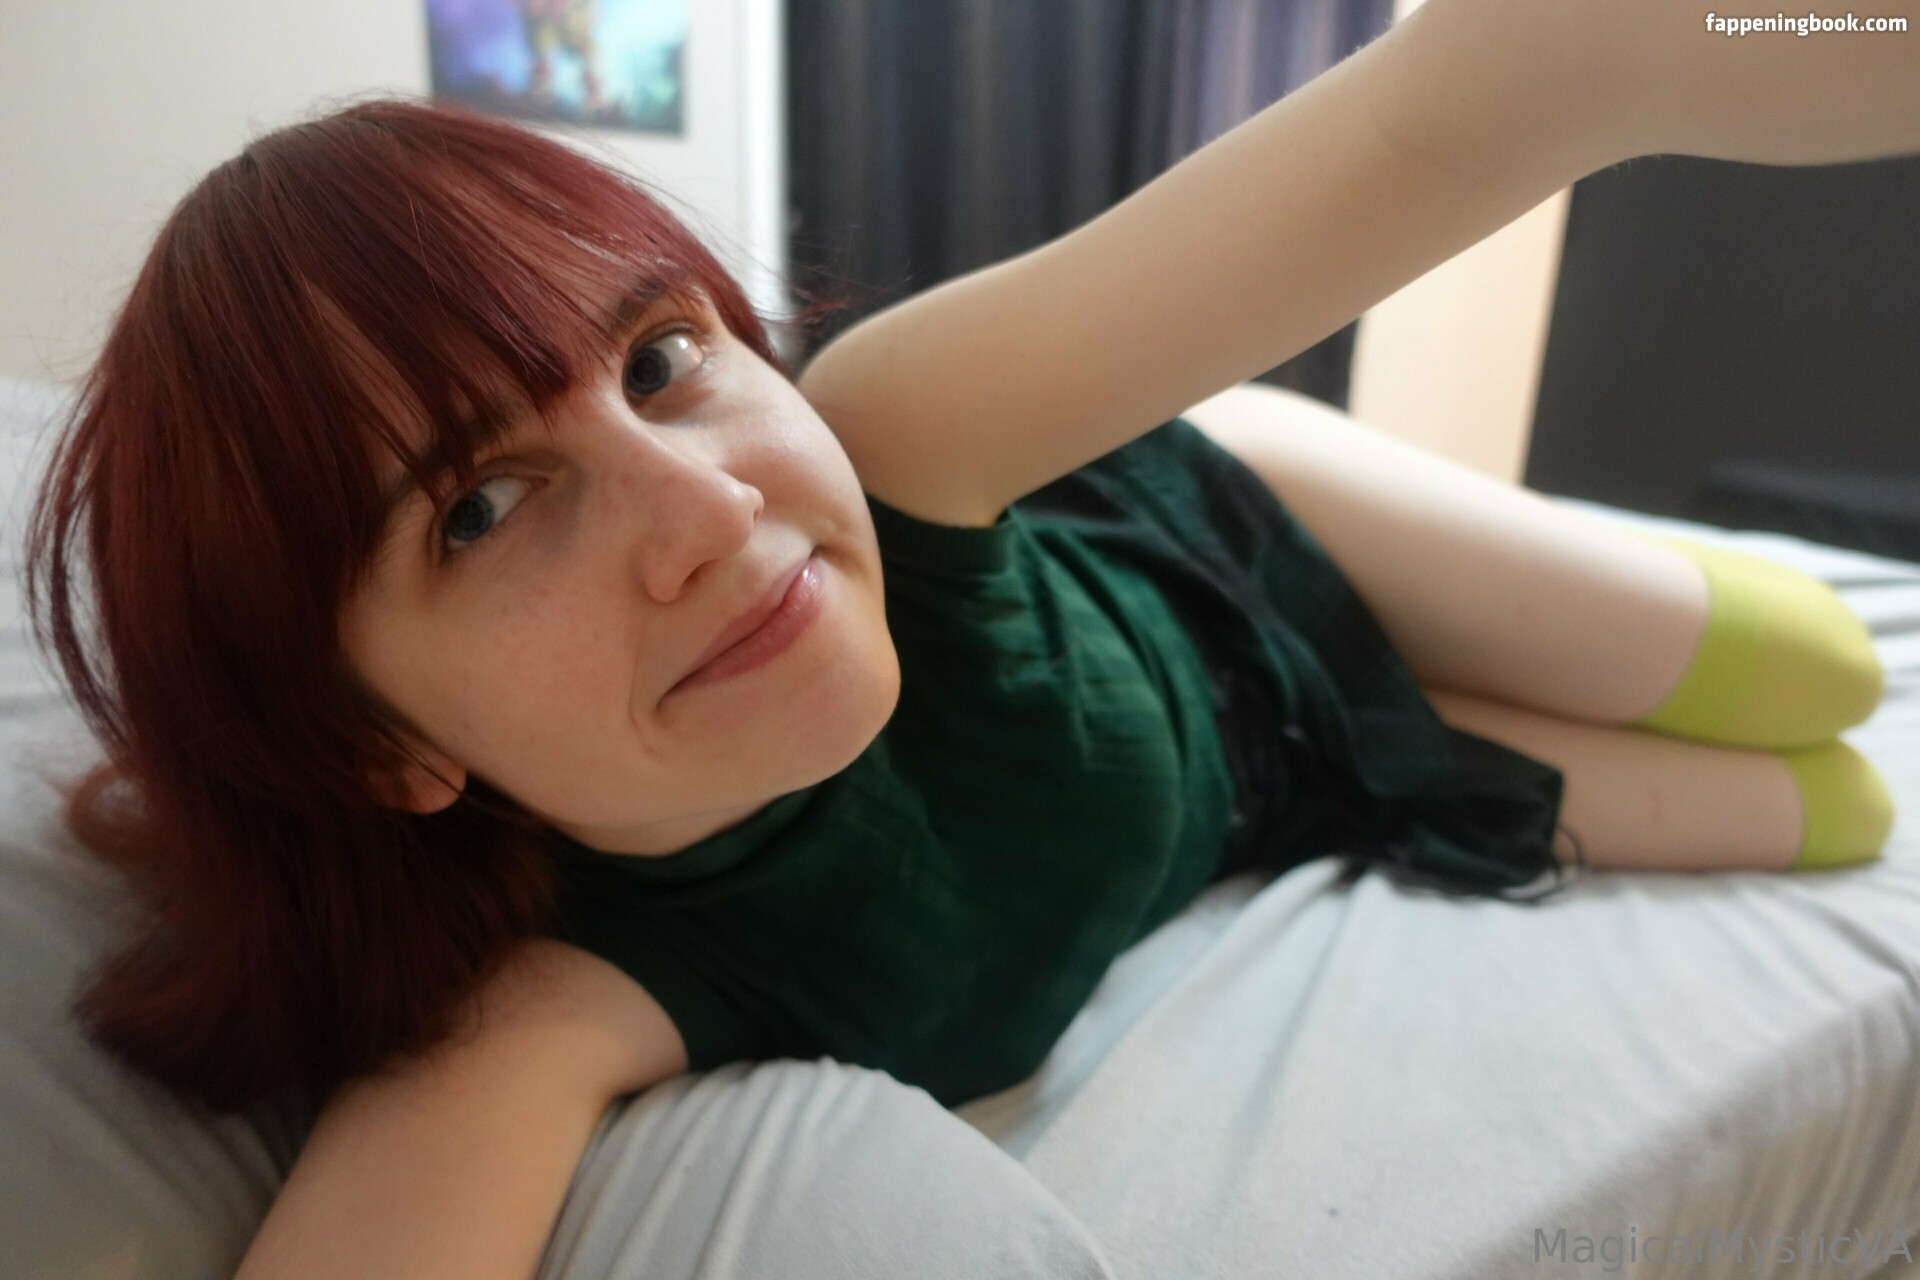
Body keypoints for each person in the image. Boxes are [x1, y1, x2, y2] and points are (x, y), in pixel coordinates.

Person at [19, 0, 1911, 1271]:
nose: (709, 511)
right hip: (1280, 781)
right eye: (480, 510)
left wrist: (1705, 51)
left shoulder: (900, 433)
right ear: (378, 744)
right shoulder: (562, 1000)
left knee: (1827, 680)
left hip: (1230, 534)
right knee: (1830, 815)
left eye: (661, 360)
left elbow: (1481, 94)